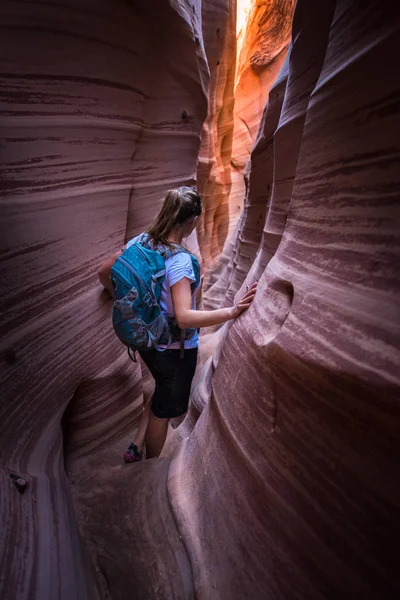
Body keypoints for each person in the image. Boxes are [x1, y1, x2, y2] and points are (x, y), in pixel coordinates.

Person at [98, 186, 257, 461]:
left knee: (162, 386)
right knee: (165, 410)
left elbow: (104, 272)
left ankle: (135, 444)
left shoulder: (140, 241)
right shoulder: (182, 261)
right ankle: (150, 463)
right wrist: (231, 312)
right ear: (193, 221)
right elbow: (184, 317)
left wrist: (123, 301)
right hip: (175, 350)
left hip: (146, 341)